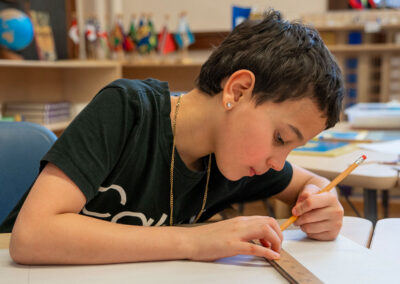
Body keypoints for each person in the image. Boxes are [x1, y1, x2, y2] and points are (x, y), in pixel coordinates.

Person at [2, 9, 344, 265]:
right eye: (281, 138)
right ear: (238, 92)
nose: (278, 161)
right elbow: (32, 237)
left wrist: (322, 202)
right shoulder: (127, 109)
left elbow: (309, 183)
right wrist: (193, 241)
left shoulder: (239, 159)